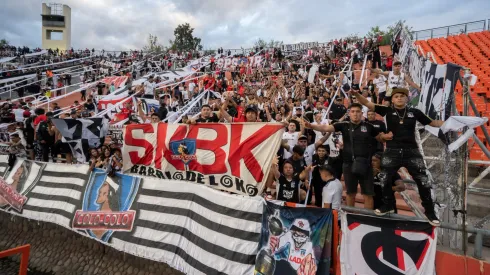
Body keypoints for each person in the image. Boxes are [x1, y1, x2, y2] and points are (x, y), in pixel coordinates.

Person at [352, 87, 443, 225]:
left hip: (412, 151)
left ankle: (430, 212)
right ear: (392, 99)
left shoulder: (414, 112)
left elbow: (433, 123)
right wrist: (357, 94)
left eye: (402, 96)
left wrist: (452, 123)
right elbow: (368, 104)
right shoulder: (387, 110)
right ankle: (388, 205)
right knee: (384, 177)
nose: (399, 98)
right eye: (396, 96)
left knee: (423, 181)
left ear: (407, 98)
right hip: (392, 150)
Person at [305, 103, 382, 209]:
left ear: (362, 113)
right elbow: (325, 127)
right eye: (353, 111)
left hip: (365, 164)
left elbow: (380, 139)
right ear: (349, 113)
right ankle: (350, 217)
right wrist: (311, 126)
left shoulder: (369, 127)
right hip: (348, 164)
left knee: (368, 194)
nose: (355, 114)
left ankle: (368, 219)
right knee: (350, 193)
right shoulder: (343, 125)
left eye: (358, 111)